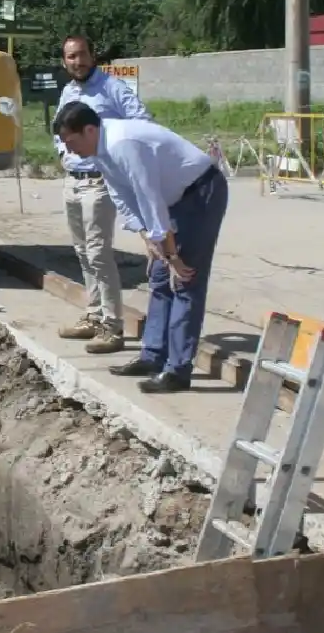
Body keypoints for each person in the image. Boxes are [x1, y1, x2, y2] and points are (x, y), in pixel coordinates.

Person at [52, 100, 228, 393]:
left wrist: (171, 254)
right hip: (172, 200)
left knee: (184, 279)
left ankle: (177, 371)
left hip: (199, 193)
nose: (70, 151)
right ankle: (153, 356)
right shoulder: (99, 150)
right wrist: (147, 236)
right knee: (159, 277)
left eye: (72, 142)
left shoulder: (123, 144)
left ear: (89, 130)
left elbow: (149, 198)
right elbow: (121, 195)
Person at [51, 35, 152, 354]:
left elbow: (142, 121)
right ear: (64, 61)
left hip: (100, 181)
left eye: (82, 55)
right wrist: (62, 153)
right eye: (71, 57)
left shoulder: (112, 88)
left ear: (92, 56)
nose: (77, 61)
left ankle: (112, 326)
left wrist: (111, 153)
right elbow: (59, 128)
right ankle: (93, 316)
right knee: (82, 252)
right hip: (72, 181)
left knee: (98, 253)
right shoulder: (68, 91)